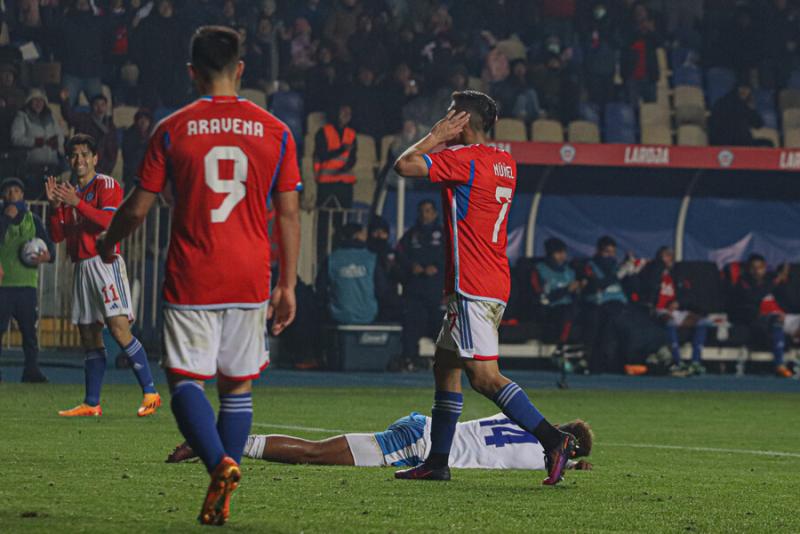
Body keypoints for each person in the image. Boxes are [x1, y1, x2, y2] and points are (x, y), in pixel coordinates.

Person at [96, 26, 302, 526]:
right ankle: (224, 489)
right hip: (252, 274)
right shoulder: (277, 131)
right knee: (236, 387)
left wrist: (107, 242)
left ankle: (220, 465)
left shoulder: (173, 129)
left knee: (186, 380)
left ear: (191, 72)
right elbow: (291, 213)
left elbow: (139, 208)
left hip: (194, 273)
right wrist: (288, 284)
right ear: (241, 69)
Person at [393, 90, 577, 486]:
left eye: (449, 114)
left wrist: (434, 136)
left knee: (484, 377)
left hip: (473, 283)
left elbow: (404, 166)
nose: (445, 119)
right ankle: (438, 461)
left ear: (461, 118)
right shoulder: (505, 161)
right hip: (492, 278)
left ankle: (553, 438)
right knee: (445, 366)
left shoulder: (463, 160)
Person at [45, 133, 161, 417]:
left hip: (104, 262)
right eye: (74, 155)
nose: (79, 159)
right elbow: (58, 237)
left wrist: (75, 203)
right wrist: (54, 207)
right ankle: (92, 402)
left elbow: (110, 222)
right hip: (82, 268)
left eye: (85, 154)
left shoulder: (106, 184)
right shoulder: (70, 193)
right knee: (88, 335)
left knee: (119, 329)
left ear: (95, 158)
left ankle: (151, 393)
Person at [167, 413, 595, 472]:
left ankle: (216, 442)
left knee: (317, 452)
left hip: (421, 428)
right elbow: (543, 462)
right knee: (314, 454)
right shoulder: (542, 456)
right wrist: (575, 466)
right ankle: (215, 443)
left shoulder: (519, 418)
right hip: (415, 445)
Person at [0, 177, 54, 383]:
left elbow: (51, 250)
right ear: (3, 196)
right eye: (8, 191)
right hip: (3, 285)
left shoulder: (34, 220)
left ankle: (31, 370)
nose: (12, 194)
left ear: (22, 195)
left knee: (29, 332)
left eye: (16, 190)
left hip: (26, 286)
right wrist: (5, 219)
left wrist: (46, 256)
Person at [638, 247, 709, 377]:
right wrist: (659, 266)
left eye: (671, 255)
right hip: (659, 310)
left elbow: (688, 294)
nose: (670, 258)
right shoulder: (652, 272)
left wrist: (679, 302)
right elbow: (648, 288)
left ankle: (696, 361)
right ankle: (677, 361)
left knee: (702, 322)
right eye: (666, 255)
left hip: (676, 310)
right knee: (670, 322)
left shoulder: (677, 274)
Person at [396, 200, 445, 369]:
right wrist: (411, 267)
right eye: (422, 211)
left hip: (436, 290)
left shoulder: (445, 235)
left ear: (435, 213)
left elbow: (454, 259)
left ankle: (444, 360)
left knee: (439, 327)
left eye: (429, 210)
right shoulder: (410, 235)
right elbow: (399, 256)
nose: (425, 214)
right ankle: (410, 359)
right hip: (415, 290)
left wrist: (438, 268)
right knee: (412, 326)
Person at [732, 255, 795, 378]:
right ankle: (779, 364)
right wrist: (775, 282)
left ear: (765, 268)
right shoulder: (743, 282)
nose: (757, 271)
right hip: (760, 320)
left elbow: (790, 302)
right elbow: (754, 296)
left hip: (786, 317)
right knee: (777, 320)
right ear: (748, 269)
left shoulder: (771, 280)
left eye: (760, 267)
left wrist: (784, 281)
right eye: (753, 268)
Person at [316, 222, 384, 325]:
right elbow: (382, 288)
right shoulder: (371, 258)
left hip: (338, 316)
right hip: (368, 316)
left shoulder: (332, 259)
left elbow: (320, 287)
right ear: (358, 235)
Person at [531, 238, 584, 357]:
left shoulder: (569, 271)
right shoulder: (540, 270)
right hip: (550, 308)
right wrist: (566, 290)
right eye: (558, 253)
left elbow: (576, 296)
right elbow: (542, 297)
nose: (562, 256)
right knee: (566, 312)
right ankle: (561, 347)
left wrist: (579, 288)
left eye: (564, 253)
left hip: (570, 306)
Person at [583, 236, 628, 374]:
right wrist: (617, 275)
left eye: (613, 253)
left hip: (619, 304)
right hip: (599, 304)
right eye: (607, 252)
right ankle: (597, 363)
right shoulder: (590, 265)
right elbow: (596, 285)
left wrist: (631, 272)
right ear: (599, 251)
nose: (610, 256)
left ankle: (621, 362)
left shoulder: (617, 266)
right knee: (606, 322)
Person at [11, 89, 64, 198]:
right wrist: (34, 142)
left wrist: (57, 143)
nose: (38, 103)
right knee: (34, 197)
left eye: (41, 100)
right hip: (32, 168)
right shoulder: (22, 116)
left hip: (52, 168)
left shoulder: (50, 117)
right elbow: (15, 138)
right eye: (35, 100)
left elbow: (60, 134)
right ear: (29, 102)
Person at [59, 91, 118, 176]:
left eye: (102, 105)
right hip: (81, 165)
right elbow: (69, 116)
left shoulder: (111, 127)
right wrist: (65, 101)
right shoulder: (84, 119)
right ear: (91, 106)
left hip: (100, 170)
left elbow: (113, 152)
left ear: (106, 107)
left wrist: (107, 171)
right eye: (96, 105)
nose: (99, 108)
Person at [314, 103, 357, 209]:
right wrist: (342, 149)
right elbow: (322, 155)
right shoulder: (323, 132)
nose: (346, 115)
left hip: (345, 182)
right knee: (323, 215)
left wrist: (346, 167)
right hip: (327, 182)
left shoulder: (351, 133)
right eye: (344, 112)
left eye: (349, 113)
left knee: (343, 217)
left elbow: (353, 158)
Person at [121, 108, 153, 192]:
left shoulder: (154, 135)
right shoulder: (129, 135)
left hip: (149, 175)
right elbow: (127, 155)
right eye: (141, 119)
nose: (143, 122)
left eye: (146, 119)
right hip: (132, 175)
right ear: (136, 121)